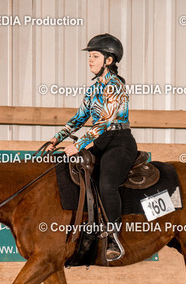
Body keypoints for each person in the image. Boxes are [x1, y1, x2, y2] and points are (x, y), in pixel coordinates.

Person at [46, 33, 137, 262]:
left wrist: (79, 144)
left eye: (95, 56)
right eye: (90, 56)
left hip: (119, 141)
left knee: (107, 184)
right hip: (101, 141)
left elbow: (105, 122)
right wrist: (55, 139)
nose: (90, 60)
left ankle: (114, 238)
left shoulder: (115, 87)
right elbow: (79, 118)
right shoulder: (93, 89)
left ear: (109, 60)